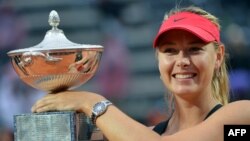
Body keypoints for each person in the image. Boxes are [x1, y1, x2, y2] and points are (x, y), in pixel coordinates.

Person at [31, 6, 250, 141]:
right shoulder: (144, 134)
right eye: (170, 51)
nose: (182, 61)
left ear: (219, 56)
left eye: (195, 49)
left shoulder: (240, 122)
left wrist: (91, 102)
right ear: (159, 60)